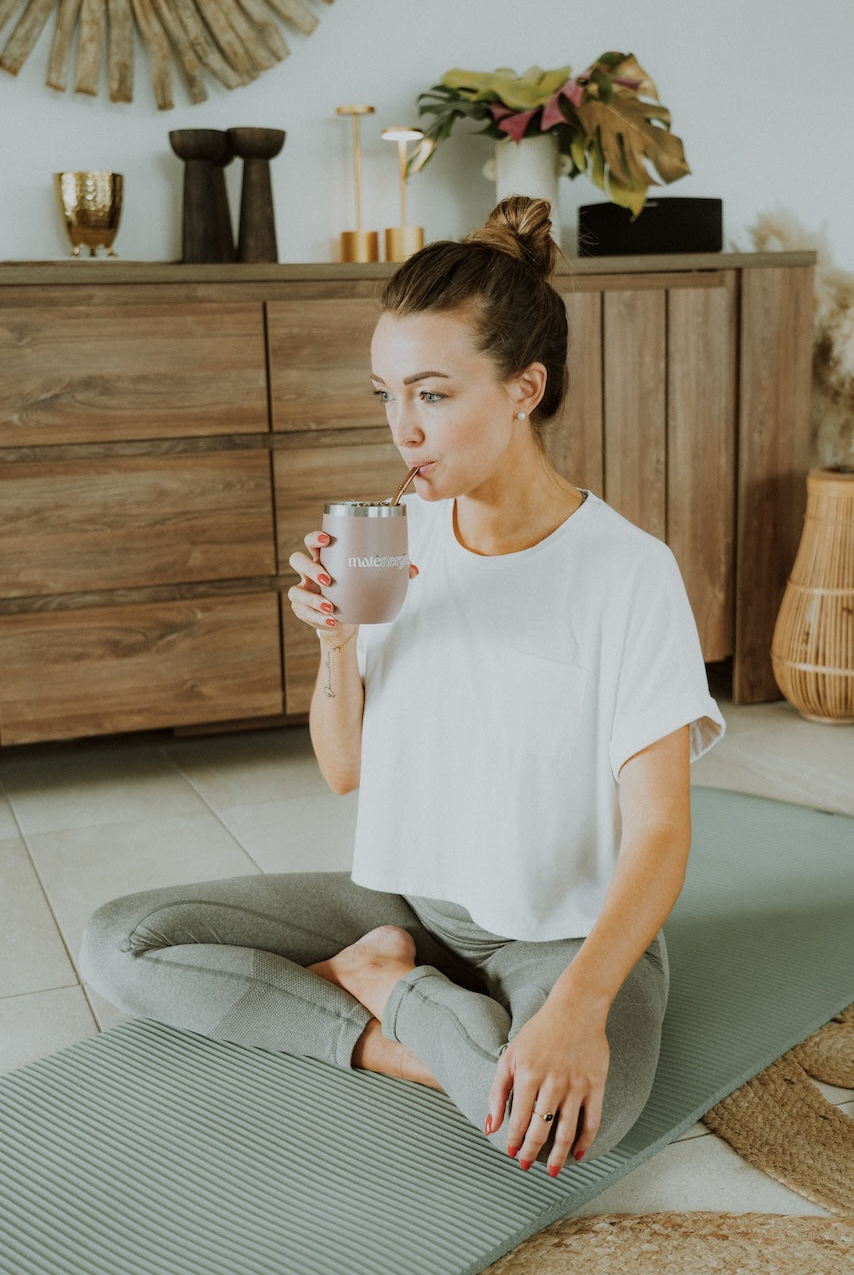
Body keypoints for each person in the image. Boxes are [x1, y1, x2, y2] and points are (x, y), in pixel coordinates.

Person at [80, 197, 724, 1180]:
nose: (400, 426)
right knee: (125, 940)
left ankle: (378, 996)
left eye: (430, 393)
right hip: (409, 902)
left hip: (559, 927)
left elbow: (659, 830)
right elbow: (345, 770)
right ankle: (392, 994)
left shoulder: (624, 571)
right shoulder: (397, 538)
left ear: (523, 387)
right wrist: (336, 641)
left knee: (575, 1123)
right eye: (385, 393)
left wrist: (578, 1009)